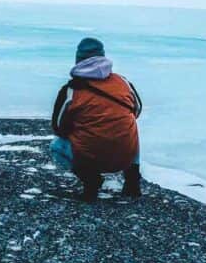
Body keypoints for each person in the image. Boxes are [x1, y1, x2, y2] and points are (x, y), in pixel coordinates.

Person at [50, 36, 143, 202]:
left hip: (91, 157)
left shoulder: (72, 90)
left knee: (56, 146)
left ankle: (91, 180)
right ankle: (132, 181)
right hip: (125, 156)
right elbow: (137, 110)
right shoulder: (122, 82)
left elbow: (58, 127)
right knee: (127, 127)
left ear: (78, 59)